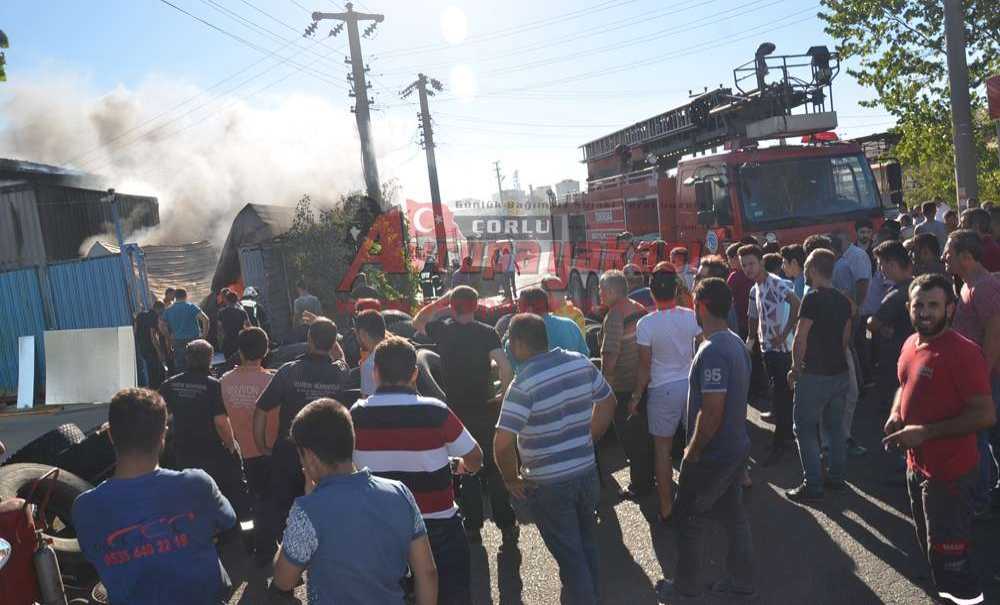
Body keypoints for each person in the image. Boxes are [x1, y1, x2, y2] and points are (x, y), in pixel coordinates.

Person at [884, 274, 995, 605]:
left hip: (949, 475)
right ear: (909, 307)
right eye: (919, 305)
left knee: (952, 557)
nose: (925, 312)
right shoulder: (910, 343)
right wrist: (895, 414)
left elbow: (985, 414)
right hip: (916, 467)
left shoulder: (963, 353)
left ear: (950, 309)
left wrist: (927, 432)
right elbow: (903, 384)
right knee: (930, 544)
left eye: (934, 305)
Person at [73, 388, 237, 605]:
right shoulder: (197, 484)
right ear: (163, 435)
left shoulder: (85, 507)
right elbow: (228, 523)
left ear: (111, 435)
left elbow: (92, 554)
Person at [495, 313, 617, 605]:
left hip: (548, 482)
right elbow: (608, 401)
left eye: (510, 342)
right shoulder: (579, 362)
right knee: (587, 543)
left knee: (569, 553)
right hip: (586, 471)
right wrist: (589, 438)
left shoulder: (522, 385)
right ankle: (589, 594)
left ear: (520, 343)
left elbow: (501, 443)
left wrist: (511, 479)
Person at [352, 337, 483, 605]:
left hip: (380, 525)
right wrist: (463, 468)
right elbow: (475, 456)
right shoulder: (435, 411)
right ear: (415, 373)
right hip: (437, 523)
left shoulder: (356, 415)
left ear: (375, 372)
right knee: (452, 594)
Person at [270, 398, 438, 605]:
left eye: (301, 456)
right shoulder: (400, 492)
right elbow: (427, 572)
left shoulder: (308, 509)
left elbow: (284, 580)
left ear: (311, 458)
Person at [655, 278, 754, 601]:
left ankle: (684, 588)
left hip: (714, 454)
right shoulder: (736, 342)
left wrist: (692, 452)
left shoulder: (712, 351)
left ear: (702, 306)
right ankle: (741, 580)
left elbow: (711, 414)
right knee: (733, 513)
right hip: (736, 447)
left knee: (688, 518)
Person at [412, 286, 517, 544]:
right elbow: (505, 367)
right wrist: (503, 397)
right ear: (476, 306)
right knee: (493, 468)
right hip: (484, 407)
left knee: (467, 467)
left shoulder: (443, 331)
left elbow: (418, 320)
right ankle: (505, 523)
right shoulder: (486, 333)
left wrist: (440, 302)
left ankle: (472, 525)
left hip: (456, 412)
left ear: (453, 306)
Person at [252, 317, 350, 567]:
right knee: (327, 509)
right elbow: (343, 361)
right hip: (326, 456)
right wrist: (334, 345)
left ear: (308, 340)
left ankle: (275, 561)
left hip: (288, 451)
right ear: (332, 344)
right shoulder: (340, 373)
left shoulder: (288, 371)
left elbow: (261, 410)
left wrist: (263, 445)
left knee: (278, 506)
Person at [632, 265, 701, 522]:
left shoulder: (646, 324)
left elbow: (644, 366)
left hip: (661, 389)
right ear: (676, 290)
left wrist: (637, 396)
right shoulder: (690, 316)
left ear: (651, 293)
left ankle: (666, 507)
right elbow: (703, 344)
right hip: (690, 386)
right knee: (697, 444)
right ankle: (702, 498)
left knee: (662, 450)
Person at [785, 250, 853, 502]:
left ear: (812, 270)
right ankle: (836, 477)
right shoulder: (844, 300)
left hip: (814, 374)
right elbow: (845, 339)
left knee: (805, 429)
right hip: (839, 372)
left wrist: (794, 368)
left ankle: (812, 484)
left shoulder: (812, 299)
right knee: (835, 428)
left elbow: (800, 338)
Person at [943, 230, 1000, 516]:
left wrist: (984, 379)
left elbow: (994, 335)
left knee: (979, 441)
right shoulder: (967, 285)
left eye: (948, 253)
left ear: (965, 257)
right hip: (980, 379)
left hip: (989, 380)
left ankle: (982, 501)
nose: (943, 258)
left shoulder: (983, 287)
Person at [158, 340, 248, 518]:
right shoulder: (213, 385)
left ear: (187, 358)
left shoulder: (169, 384)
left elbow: (159, 417)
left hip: (182, 449)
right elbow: (221, 422)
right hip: (211, 451)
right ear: (210, 359)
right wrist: (232, 446)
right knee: (214, 493)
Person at [220, 327, 277, 560]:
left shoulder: (224, 381)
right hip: (267, 452)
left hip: (238, 454)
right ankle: (269, 542)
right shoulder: (273, 381)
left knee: (246, 504)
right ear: (265, 351)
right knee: (268, 501)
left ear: (240, 352)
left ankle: (250, 542)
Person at [741, 244, 800, 464]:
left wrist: (785, 333)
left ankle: (782, 443)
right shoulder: (756, 288)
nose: (748, 269)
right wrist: (753, 340)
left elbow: (797, 303)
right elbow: (756, 317)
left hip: (782, 350)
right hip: (769, 349)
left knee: (783, 396)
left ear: (761, 262)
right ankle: (783, 440)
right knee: (779, 395)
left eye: (751, 264)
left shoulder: (774, 282)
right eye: (745, 265)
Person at [599, 270, 655, 501]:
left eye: (601, 290)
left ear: (612, 290)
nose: (599, 295)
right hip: (644, 382)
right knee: (646, 435)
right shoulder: (638, 307)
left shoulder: (614, 315)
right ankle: (651, 477)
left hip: (623, 388)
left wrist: (604, 390)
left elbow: (610, 358)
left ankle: (640, 486)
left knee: (631, 439)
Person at [831, 232, 872, 457]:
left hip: (840, 340)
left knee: (849, 392)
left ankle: (839, 438)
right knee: (846, 393)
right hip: (837, 342)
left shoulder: (840, 268)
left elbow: (850, 303)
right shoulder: (832, 271)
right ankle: (840, 439)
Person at [355, 309, 446, 400]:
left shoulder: (368, 365)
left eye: (356, 333)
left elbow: (366, 402)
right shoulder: (403, 352)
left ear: (362, 333)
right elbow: (414, 391)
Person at [868, 241, 915, 410]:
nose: (881, 270)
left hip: (895, 358)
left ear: (892, 264)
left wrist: (872, 325)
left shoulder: (896, 295)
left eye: (881, 265)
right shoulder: (917, 285)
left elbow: (873, 324)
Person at [504, 287, 589, 372]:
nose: (517, 311)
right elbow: (586, 355)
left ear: (528, 310)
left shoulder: (516, 341)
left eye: (519, 306)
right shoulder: (570, 325)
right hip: (578, 380)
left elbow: (512, 372)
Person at [161, 288, 209, 371]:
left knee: (181, 366)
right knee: (196, 365)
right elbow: (205, 320)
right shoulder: (191, 307)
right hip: (193, 340)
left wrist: (169, 337)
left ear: (175, 296)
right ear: (186, 296)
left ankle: (183, 382)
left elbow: (162, 325)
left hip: (177, 340)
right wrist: (203, 337)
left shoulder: (168, 310)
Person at [135, 300, 167, 388]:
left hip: (141, 346)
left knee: (149, 369)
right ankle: (156, 389)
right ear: (159, 309)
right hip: (151, 348)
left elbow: (135, 331)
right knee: (155, 370)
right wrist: (159, 352)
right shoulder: (154, 317)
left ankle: (151, 388)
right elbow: (153, 336)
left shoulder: (140, 315)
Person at [726, 242, 754, 340]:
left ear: (737, 258)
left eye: (729, 259)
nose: (729, 262)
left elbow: (726, 295)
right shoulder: (755, 273)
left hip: (740, 321)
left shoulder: (734, 277)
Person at [959, 207, 1000, 272]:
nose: (959, 226)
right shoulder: (981, 246)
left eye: (963, 222)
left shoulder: (987, 250)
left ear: (976, 226)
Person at [217, 289, 250, 359]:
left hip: (228, 341)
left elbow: (219, 330)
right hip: (240, 340)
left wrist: (220, 343)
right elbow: (249, 327)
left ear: (226, 300)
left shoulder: (221, 313)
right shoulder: (242, 312)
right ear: (237, 300)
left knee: (229, 363)